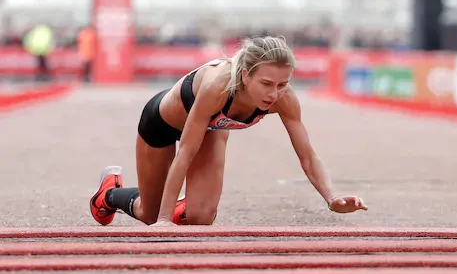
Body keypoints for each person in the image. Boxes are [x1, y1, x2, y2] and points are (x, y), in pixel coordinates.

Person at [90, 36, 368, 227]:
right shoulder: (218, 86)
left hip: (211, 129)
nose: (274, 94)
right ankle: (109, 194)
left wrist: (332, 198)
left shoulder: (284, 97)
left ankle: (181, 202)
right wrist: (163, 220)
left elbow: (307, 155)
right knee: (149, 214)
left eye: (283, 84)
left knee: (201, 217)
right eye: (267, 83)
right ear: (246, 75)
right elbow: (185, 152)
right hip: (162, 123)